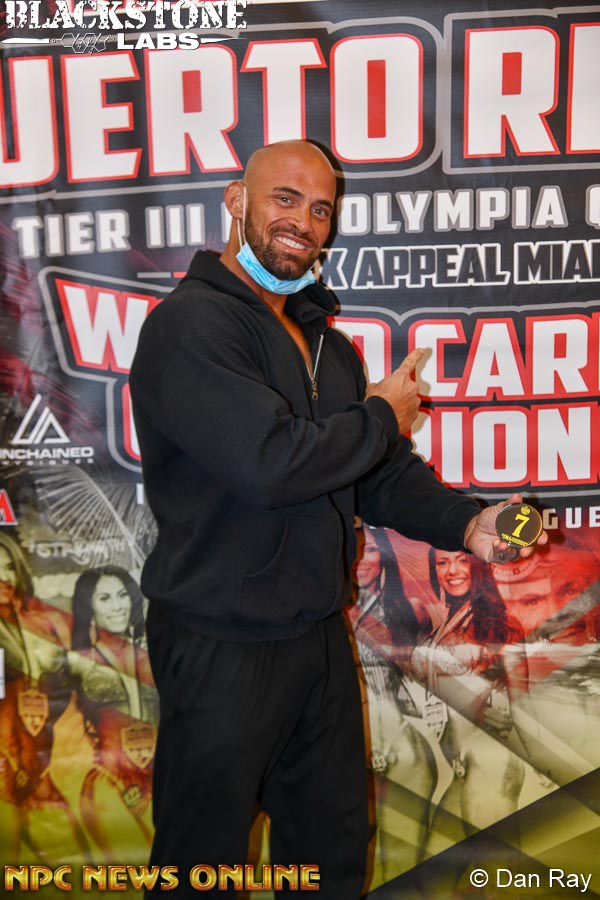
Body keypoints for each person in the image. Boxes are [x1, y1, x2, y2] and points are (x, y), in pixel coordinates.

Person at [129, 138, 547, 898]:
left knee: (331, 853)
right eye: (285, 198)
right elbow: (269, 463)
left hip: (317, 636)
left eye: (320, 209)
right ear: (236, 200)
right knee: (201, 864)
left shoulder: (326, 344)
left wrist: (467, 524)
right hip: (222, 640)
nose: (304, 221)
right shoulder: (189, 327)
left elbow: (373, 473)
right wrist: (381, 416)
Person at [0, 532, 89, 867]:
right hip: (7, 754)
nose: (4, 577)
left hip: (45, 750)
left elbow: (64, 679)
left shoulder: (37, 620)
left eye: (9, 567)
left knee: (69, 859)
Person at [70, 565, 158, 863]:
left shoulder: (155, 656)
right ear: (89, 609)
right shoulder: (76, 664)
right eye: (104, 598)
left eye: (123, 595)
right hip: (109, 786)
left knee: (171, 877)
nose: (118, 605)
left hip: (160, 784)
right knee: (128, 879)